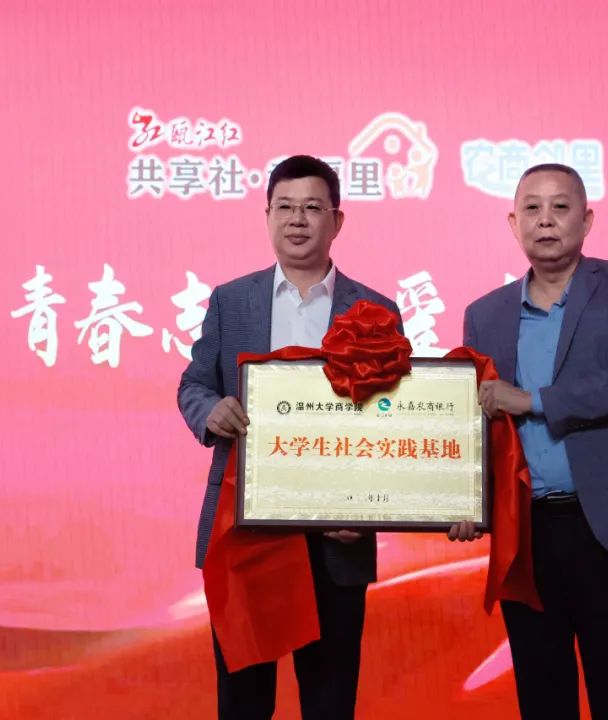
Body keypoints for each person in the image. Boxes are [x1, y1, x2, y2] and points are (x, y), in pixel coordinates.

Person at [177, 155, 401, 720]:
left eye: (312, 208)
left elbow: (393, 422)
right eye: (285, 207)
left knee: (329, 702)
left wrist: (370, 510)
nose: (297, 220)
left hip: (337, 536)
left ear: (337, 221)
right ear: (267, 216)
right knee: (244, 702)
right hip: (247, 530)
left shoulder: (375, 310)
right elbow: (194, 383)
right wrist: (210, 410)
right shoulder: (232, 301)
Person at [455, 163, 608, 719]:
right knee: (542, 697)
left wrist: (532, 399)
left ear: (587, 220)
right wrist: (464, 502)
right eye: (531, 208)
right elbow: (476, 423)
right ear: (513, 223)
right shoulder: (485, 315)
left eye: (560, 207)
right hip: (526, 535)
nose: (545, 220)